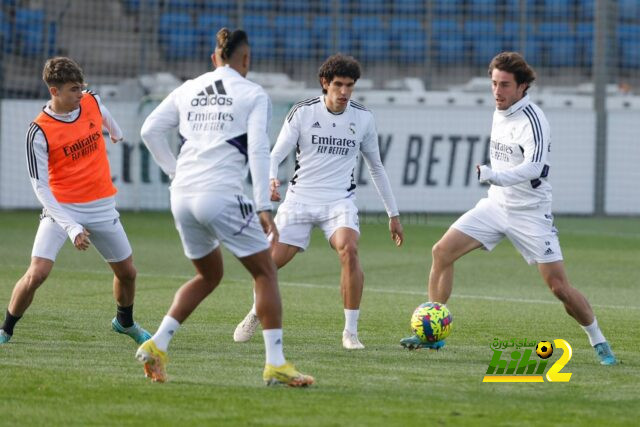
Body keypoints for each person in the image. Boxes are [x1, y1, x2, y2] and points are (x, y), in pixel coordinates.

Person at [400, 52, 618, 366]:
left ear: (522, 87)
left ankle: (599, 341)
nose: (497, 91)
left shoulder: (533, 119)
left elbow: (537, 167)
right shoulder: (499, 110)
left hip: (530, 213)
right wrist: (496, 182)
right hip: (495, 205)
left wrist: (496, 175)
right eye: (494, 84)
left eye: (504, 85)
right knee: (441, 252)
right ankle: (433, 334)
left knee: (559, 287)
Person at [137, 28, 314, 386]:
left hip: (182, 196)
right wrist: (263, 204)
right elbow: (258, 151)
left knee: (209, 275)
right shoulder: (252, 93)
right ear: (245, 59)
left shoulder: (188, 88)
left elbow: (149, 131)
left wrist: (176, 171)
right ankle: (276, 362)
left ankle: (157, 344)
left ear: (214, 57)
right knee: (265, 272)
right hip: (220, 195)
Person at [233, 54, 404, 350]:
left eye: (350, 86)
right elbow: (275, 155)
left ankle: (350, 332)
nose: (344, 92)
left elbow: (376, 167)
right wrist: (271, 179)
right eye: (338, 85)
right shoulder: (303, 112)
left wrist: (393, 214)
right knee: (268, 265)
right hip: (299, 201)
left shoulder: (363, 118)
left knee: (349, 249)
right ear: (325, 84)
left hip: (339, 202)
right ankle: (255, 311)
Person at [0, 57, 150, 345]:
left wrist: (116, 131)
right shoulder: (39, 131)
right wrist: (71, 227)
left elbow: (101, 110)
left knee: (128, 273)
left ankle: (124, 323)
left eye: (81, 87)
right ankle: (6, 330)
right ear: (54, 91)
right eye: (72, 90)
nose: (80, 95)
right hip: (62, 209)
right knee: (38, 273)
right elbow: (41, 188)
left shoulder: (89, 101)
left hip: (102, 205)